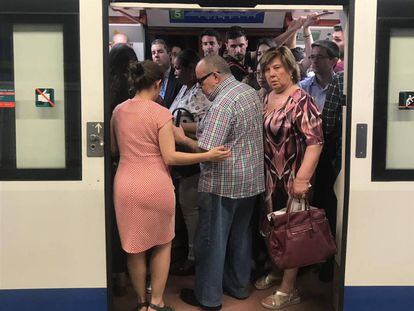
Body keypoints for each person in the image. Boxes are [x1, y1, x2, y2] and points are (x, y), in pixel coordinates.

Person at [111, 60, 230, 311]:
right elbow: (171, 157)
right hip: (155, 184)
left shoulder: (118, 111)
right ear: (158, 84)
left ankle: (141, 302)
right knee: (162, 243)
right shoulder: (160, 113)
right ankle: (157, 303)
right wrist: (207, 156)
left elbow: (113, 148)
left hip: (125, 184)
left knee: (134, 247)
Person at [175, 55, 265, 310]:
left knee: (211, 241)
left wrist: (182, 139)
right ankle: (238, 287)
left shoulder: (222, 103)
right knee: (240, 237)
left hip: (223, 183)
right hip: (250, 181)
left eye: (201, 81)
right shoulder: (248, 92)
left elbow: (208, 148)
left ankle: (208, 297)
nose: (200, 87)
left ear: (215, 76)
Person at [258, 46, 323, 309]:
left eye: (277, 68)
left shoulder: (301, 99)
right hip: (270, 177)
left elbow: (315, 142)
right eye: (267, 69)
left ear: (290, 68)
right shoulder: (268, 96)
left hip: (293, 177)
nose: (271, 74)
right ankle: (277, 270)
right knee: (272, 227)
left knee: (292, 231)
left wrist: (302, 179)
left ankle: (288, 290)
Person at [169, 49, 212, 275]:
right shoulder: (184, 89)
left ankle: (195, 257)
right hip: (181, 156)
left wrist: (175, 129)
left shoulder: (201, 93)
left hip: (194, 158)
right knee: (186, 209)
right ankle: (189, 252)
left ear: (189, 69)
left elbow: (206, 124)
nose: (175, 72)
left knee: (191, 210)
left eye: (178, 68)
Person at [108, 43, 138, 296]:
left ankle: (117, 275)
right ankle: (124, 276)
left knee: (114, 222)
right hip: (132, 164)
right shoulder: (130, 94)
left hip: (112, 164)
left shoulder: (104, 86)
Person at [299, 40, 339, 111]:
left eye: (320, 57)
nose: (315, 61)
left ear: (333, 61)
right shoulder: (303, 87)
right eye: (312, 57)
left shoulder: (340, 87)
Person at [151, 39, 182, 108]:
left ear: (169, 54)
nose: (156, 55)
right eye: (153, 53)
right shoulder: (149, 78)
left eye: (160, 52)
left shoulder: (179, 76)